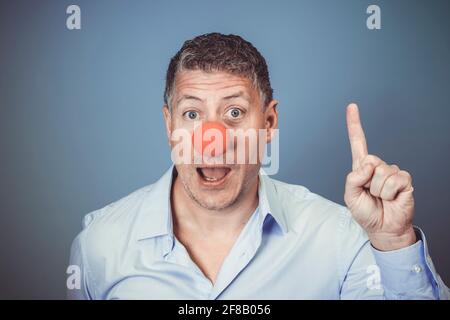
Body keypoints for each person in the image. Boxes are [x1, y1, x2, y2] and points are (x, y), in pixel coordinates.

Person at [68, 32, 449, 299]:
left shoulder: (342, 240)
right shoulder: (100, 244)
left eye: (234, 112)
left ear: (268, 123)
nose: (211, 140)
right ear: (170, 125)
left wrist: (395, 243)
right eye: (192, 114)